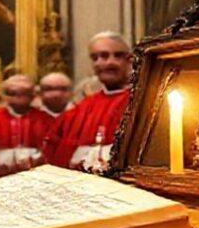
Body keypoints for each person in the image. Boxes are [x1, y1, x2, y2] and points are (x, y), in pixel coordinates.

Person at [44, 31, 133, 171]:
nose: (106, 62)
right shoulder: (79, 110)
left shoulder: (141, 103)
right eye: (96, 57)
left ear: (130, 60)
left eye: (117, 55)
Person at [0, 75, 52, 180]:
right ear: (5, 96)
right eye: (13, 93)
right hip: (0, 178)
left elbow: (54, 149)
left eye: (24, 93)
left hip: (37, 177)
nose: (18, 97)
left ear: (33, 96)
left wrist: (35, 158)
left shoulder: (46, 120)